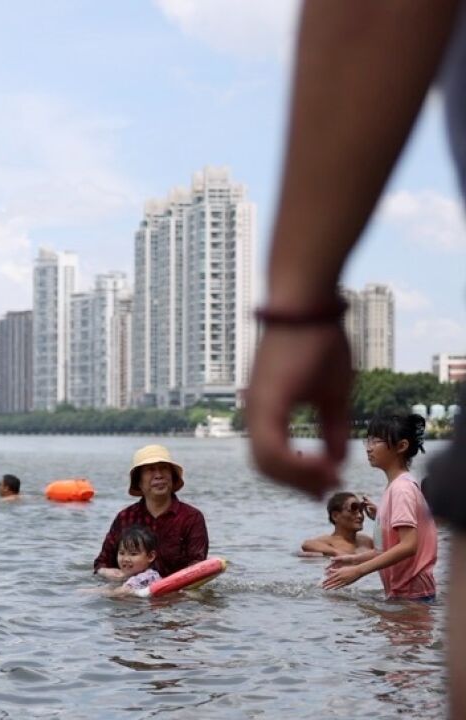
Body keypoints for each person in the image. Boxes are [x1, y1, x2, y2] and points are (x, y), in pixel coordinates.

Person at [242, 3, 466, 709]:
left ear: (397, 444)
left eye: (374, 437)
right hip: (409, 597)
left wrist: (299, 301)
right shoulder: (400, 492)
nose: (367, 446)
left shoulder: (401, 491)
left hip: (411, 601)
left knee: (401, 681)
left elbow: (372, 13)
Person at [323, 415, 439, 601]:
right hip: (405, 592)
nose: (369, 448)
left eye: (376, 441)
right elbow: (388, 549)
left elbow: (409, 546)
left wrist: (358, 571)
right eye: (368, 440)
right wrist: (354, 560)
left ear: (401, 446)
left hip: (413, 594)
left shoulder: (402, 489)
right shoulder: (395, 487)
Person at [93, 445, 208, 579]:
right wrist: (110, 574)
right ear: (139, 481)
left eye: (164, 468)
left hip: (176, 592)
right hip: (131, 593)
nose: (158, 475)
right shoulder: (125, 517)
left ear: (172, 476)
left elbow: (198, 565)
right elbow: (101, 564)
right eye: (150, 470)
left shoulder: (191, 517)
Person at [300, 491, 376, 557]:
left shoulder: (367, 541)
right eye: (353, 511)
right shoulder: (328, 542)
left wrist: (378, 517)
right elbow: (307, 544)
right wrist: (336, 552)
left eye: (361, 511)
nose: (359, 516)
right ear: (335, 516)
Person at [105, 525, 162, 597]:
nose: (125, 559)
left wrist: (90, 592)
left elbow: (119, 592)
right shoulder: (148, 574)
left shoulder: (147, 577)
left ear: (151, 556)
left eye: (133, 554)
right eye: (122, 553)